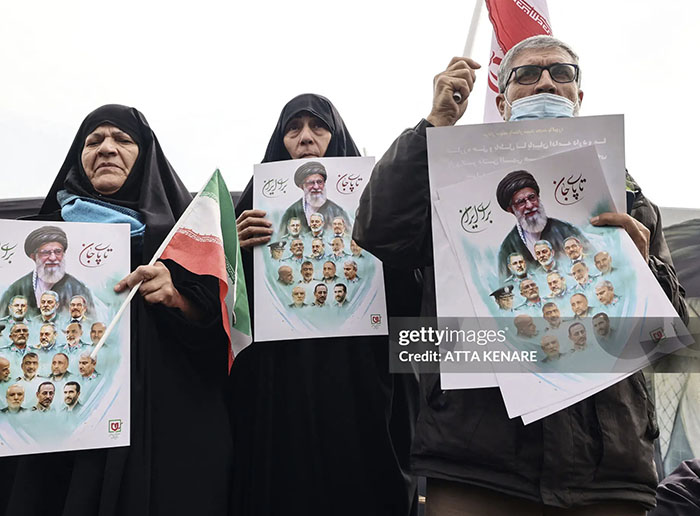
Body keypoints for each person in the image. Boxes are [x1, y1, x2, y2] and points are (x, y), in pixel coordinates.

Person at [354, 34, 687, 514]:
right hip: (478, 463)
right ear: (503, 100)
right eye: (527, 74)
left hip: (607, 470)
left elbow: (670, 331)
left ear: (579, 96)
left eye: (561, 72)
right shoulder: (449, 182)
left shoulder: (625, 197)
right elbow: (379, 230)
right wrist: (433, 126)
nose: (545, 82)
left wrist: (644, 271)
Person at [0, 105, 231, 516]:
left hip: (161, 432)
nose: (107, 148)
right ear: (79, 156)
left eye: (122, 139)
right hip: (60, 437)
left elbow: (223, 339)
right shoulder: (33, 243)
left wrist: (178, 297)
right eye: (94, 141)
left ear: (145, 155)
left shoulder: (183, 237)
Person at [231, 93, 418, 516]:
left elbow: (407, 285)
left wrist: (380, 235)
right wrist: (238, 248)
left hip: (358, 378)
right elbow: (228, 307)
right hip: (282, 385)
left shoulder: (375, 204)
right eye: (293, 129)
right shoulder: (255, 211)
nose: (306, 138)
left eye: (318, 127)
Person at [496, 171, 587, 279]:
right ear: (511, 210)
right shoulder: (508, 248)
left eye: (532, 197)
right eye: (521, 202)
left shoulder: (566, 230)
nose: (529, 205)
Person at [0, 226, 96, 318]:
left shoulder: (78, 289)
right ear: (33, 257)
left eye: (58, 252)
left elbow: (90, 323)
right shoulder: (16, 289)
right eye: (46, 253)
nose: (53, 258)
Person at [277, 160, 352, 236]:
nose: (316, 187)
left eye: (319, 182)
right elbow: (280, 238)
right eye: (311, 183)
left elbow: (349, 237)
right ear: (302, 186)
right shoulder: (291, 212)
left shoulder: (337, 211)